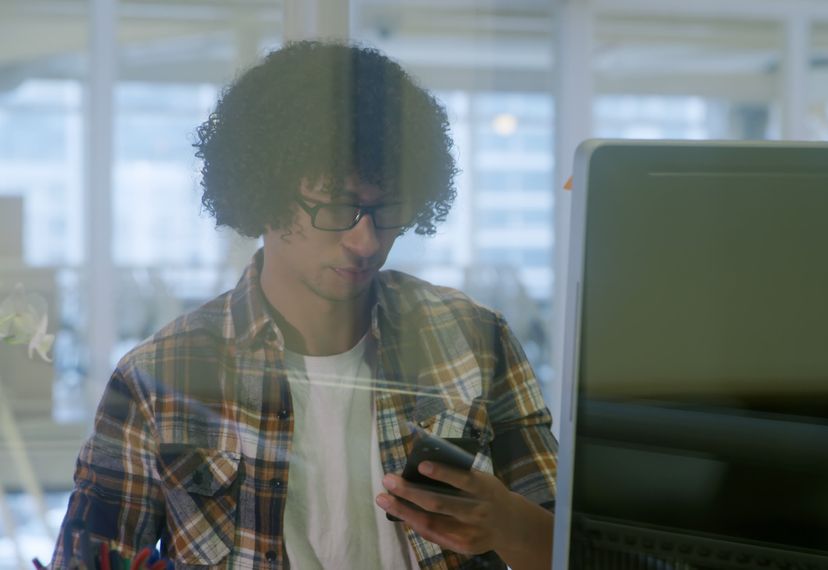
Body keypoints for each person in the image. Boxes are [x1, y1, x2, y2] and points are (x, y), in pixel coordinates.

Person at [49, 41, 558, 570]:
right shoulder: (157, 380)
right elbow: (85, 560)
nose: (367, 242)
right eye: (337, 208)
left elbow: (579, 551)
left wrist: (508, 524)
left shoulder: (477, 340)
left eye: (386, 210)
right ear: (265, 195)